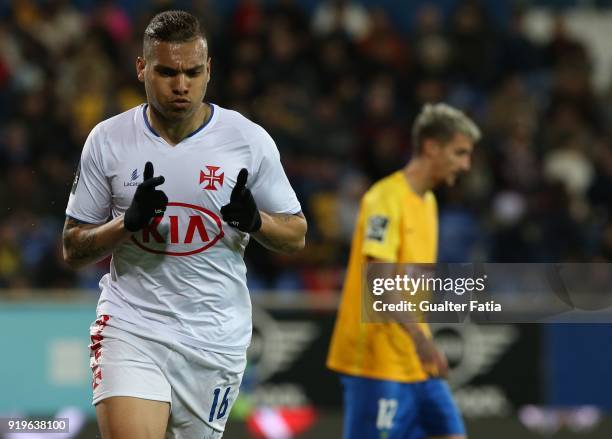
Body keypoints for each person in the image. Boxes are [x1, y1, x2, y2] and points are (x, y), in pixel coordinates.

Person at [62, 10, 306, 439]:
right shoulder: (108, 140)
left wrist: (256, 221)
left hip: (213, 340)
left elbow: (296, 235)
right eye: (167, 72)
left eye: (193, 72)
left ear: (209, 70)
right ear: (142, 69)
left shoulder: (247, 140)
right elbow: (73, 247)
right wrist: (126, 225)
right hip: (131, 326)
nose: (181, 84)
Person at [327, 103, 480, 439]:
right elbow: (378, 284)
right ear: (431, 147)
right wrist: (420, 339)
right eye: (460, 153)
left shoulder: (428, 202)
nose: (466, 164)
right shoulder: (384, 198)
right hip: (376, 359)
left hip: (415, 361)